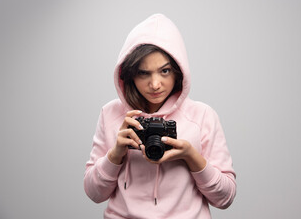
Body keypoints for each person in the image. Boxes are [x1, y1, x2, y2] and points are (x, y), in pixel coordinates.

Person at [84, 14, 236, 219]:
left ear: (178, 71)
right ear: (129, 74)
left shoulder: (202, 116)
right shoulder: (111, 114)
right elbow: (94, 194)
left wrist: (191, 156)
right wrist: (116, 154)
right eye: (143, 73)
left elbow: (225, 198)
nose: (155, 84)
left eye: (164, 71)